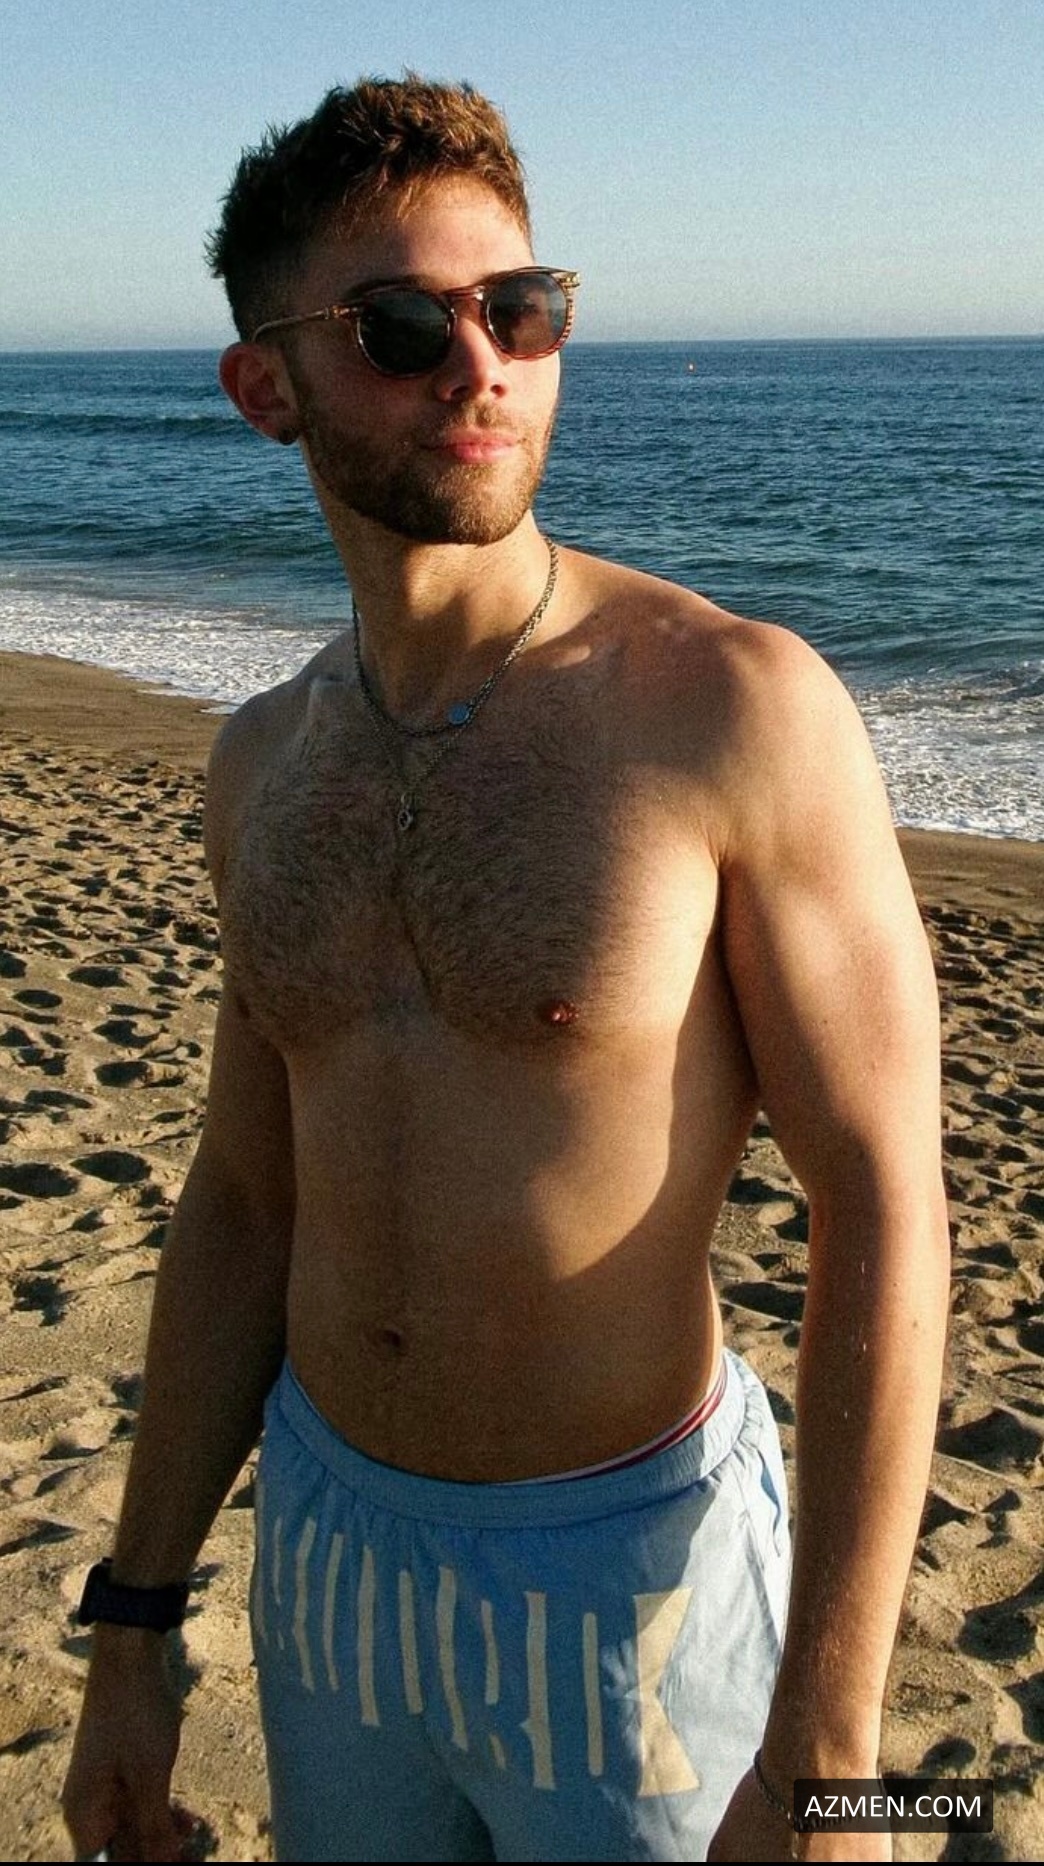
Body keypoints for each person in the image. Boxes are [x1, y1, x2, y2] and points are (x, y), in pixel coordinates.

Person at [62, 76, 949, 1864]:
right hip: (330, 1557)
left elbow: (885, 1206)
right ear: (265, 386)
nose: (481, 366)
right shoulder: (262, 766)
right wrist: (134, 1628)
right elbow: (243, 1197)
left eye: (521, 309)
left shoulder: (732, 711)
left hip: (634, 1579)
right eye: (402, 327)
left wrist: (834, 1757)